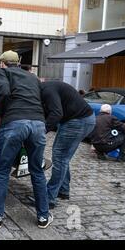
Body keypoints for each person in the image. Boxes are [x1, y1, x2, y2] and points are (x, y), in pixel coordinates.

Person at [0, 50, 52, 229]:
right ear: (18, 62)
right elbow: (44, 100)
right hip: (38, 124)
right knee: (37, 171)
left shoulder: (3, 72)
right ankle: (43, 216)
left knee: (2, 171)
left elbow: (3, 93)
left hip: (15, 123)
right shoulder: (32, 77)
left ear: (2, 63)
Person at [40, 81, 96, 209]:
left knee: (59, 158)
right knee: (63, 158)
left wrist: (42, 131)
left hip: (77, 121)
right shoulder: (46, 89)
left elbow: (56, 113)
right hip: (83, 119)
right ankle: (63, 190)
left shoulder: (47, 90)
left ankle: (49, 198)